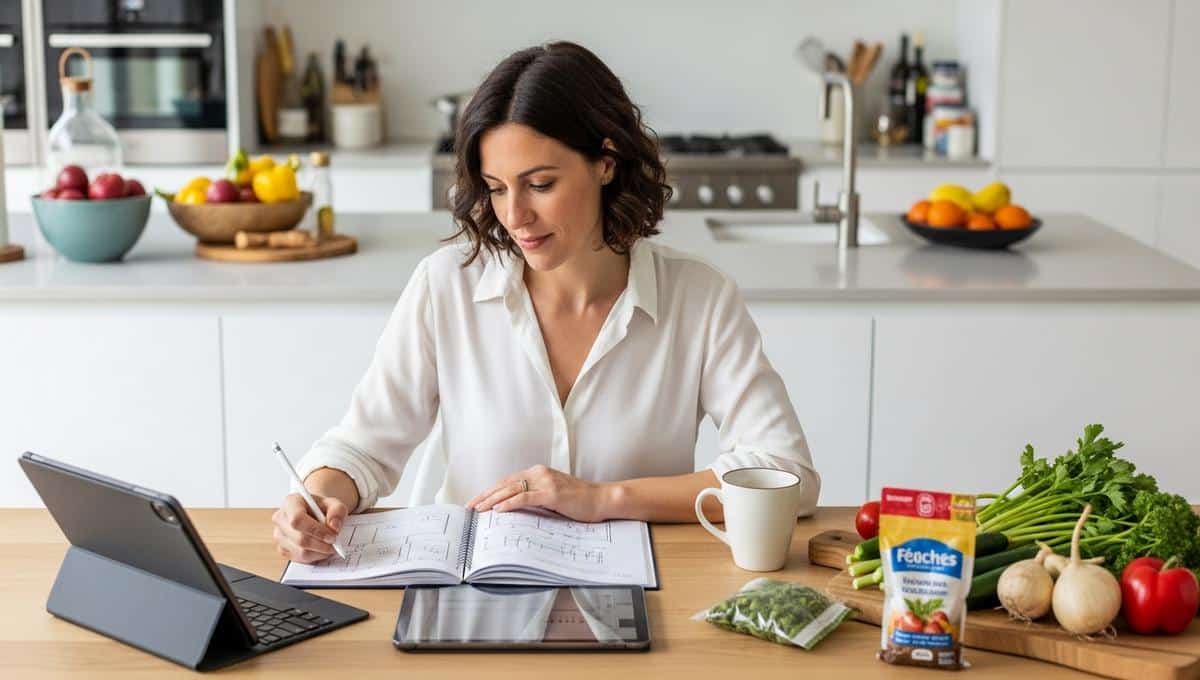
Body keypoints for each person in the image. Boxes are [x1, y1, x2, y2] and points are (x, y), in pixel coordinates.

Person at [272, 41, 820, 564]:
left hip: (646, 600)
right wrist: (317, 498)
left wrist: (602, 499)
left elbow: (786, 473)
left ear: (605, 162)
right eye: (497, 187)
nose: (515, 216)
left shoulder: (698, 298)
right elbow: (363, 446)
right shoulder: (447, 286)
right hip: (472, 599)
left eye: (539, 184)